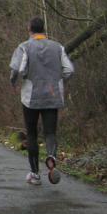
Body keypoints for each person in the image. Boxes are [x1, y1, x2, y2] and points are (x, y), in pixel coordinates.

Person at [9, 16, 74, 186]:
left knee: (32, 134)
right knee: (50, 132)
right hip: (53, 95)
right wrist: (58, 81)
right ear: (43, 29)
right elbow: (69, 70)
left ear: (29, 29)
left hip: (31, 96)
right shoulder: (58, 47)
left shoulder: (24, 47)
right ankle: (51, 156)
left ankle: (35, 174)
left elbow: (16, 69)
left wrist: (14, 82)